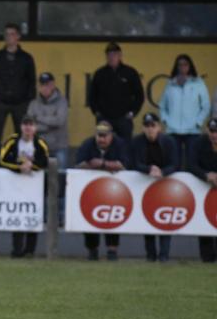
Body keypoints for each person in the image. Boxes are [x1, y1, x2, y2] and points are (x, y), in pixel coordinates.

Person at [0, 23, 36, 166]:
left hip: (20, 103)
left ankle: (19, 163)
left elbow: (31, 81)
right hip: (0, 102)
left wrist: (27, 101)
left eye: (12, 34)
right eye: (7, 34)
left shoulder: (26, 58)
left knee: (21, 136)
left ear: (18, 37)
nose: (9, 37)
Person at [74, 121, 128, 261]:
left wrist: (102, 164)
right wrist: (108, 166)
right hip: (90, 188)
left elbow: (124, 165)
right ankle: (92, 250)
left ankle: (112, 250)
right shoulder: (88, 143)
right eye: (99, 135)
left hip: (113, 190)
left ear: (111, 136)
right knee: (89, 218)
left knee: (113, 217)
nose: (101, 139)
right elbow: (78, 164)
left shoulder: (120, 144)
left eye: (105, 136)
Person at [0, 115, 50, 258]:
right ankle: (16, 250)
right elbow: (2, 159)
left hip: (34, 186)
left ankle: (29, 250)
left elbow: (45, 161)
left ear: (35, 128)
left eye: (31, 125)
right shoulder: (12, 141)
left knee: (33, 216)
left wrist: (31, 166)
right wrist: (19, 167)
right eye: (25, 124)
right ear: (21, 127)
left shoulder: (40, 143)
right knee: (17, 215)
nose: (28, 128)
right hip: (16, 184)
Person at [130, 113, 177, 262]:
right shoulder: (136, 142)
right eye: (147, 126)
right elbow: (134, 163)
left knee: (166, 220)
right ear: (143, 128)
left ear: (159, 127)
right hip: (144, 186)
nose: (150, 129)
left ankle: (164, 255)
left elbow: (175, 163)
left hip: (165, 186)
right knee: (147, 219)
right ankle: (150, 255)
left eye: (153, 126)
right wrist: (149, 169)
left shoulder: (169, 141)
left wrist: (162, 172)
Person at [159, 54, 210, 170]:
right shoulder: (170, 84)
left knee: (192, 164)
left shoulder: (198, 83)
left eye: (185, 64)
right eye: (180, 65)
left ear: (190, 66)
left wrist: (198, 122)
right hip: (173, 130)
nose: (182, 67)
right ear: (176, 67)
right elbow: (162, 105)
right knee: (174, 165)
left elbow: (206, 105)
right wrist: (166, 120)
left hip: (193, 130)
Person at [87, 42, 144, 142]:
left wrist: (132, 112)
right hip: (104, 118)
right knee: (103, 144)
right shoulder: (100, 74)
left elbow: (139, 95)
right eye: (109, 55)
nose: (111, 57)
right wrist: (97, 112)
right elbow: (92, 96)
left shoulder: (130, 72)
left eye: (114, 54)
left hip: (124, 119)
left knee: (125, 147)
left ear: (120, 55)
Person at [189, 118, 217, 263]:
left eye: (216, 132)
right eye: (212, 131)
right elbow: (191, 164)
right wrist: (206, 175)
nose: (214, 135)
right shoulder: (198, 143)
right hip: (202, 188)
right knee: (203, 221)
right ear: (207, 130)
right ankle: (207, 258)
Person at [27, 72, 69, 168]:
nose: (44, 88)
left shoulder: (62, 102)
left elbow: (59, 121)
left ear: (53, 85)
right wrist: (50, 125)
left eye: (47, 85)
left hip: (59, 147)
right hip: (39, 148)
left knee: (60, 175)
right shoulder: (33, 103)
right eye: (42, 85)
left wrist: (38, 118)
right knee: (39, 176)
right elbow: (29, 126)